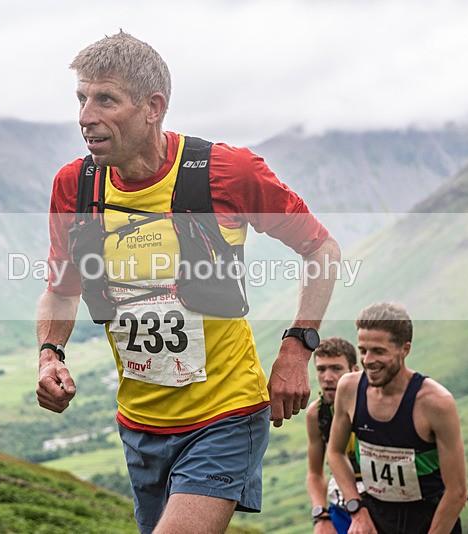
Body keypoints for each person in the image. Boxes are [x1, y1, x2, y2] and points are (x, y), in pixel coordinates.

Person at [35, 31, 340, 534]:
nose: (86, 116)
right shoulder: (75, 185)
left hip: (225, 413)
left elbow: (321, 250)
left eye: (105, 99)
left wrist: (297, 346)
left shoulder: (225, 170)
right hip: (139, 424)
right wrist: (50, 355)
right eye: (81, 99)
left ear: (153, 106)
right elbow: (61, 290)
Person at [327, 302, 468, 534]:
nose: (368, 360)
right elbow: (335, 452)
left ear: (405, 349)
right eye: (363, 350)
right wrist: (357, 511)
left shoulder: (435, 402)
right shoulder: (349, 388)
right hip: (374, 517)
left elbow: (457, 492)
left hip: (431, 521)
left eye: (379, 351)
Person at [305, 337, 362, 533]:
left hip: (381, 505)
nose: (327, 377)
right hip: (340, 508)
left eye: (336, 369)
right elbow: (314, 473)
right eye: (321, 369)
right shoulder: (317, 413)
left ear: (355, 371)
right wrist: (321, 516)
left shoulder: (373, 404)